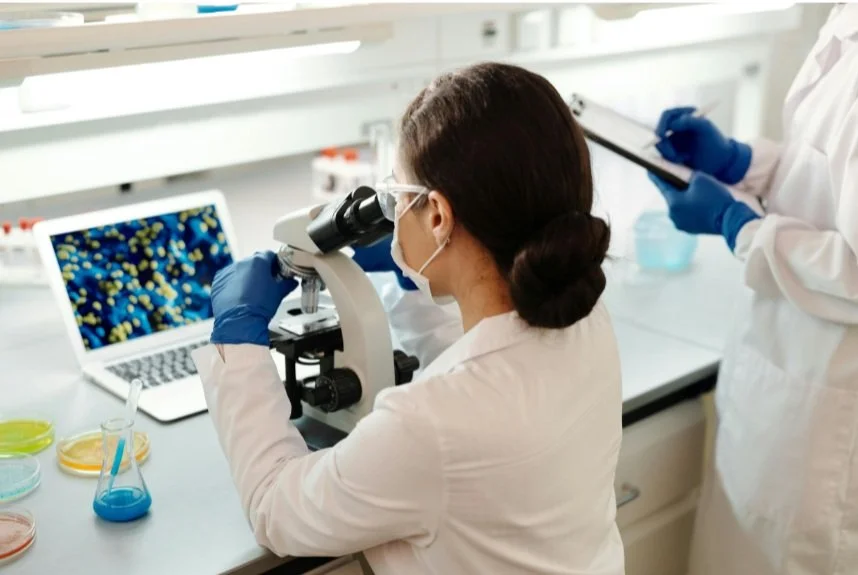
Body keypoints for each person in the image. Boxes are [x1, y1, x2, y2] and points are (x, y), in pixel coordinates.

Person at [192, 62, 625, 575]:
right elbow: (477, 360)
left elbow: (275, 508)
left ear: (439, 216)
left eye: (397, 196)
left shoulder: (430, 425)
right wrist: (412, 276)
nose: (391, 213)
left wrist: (238, 347)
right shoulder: (585, 319)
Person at [647, 5, 858, 574]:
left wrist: (738, 227)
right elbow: (827, 175)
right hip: (781, 386)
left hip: (829, 421)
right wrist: (742, 161)